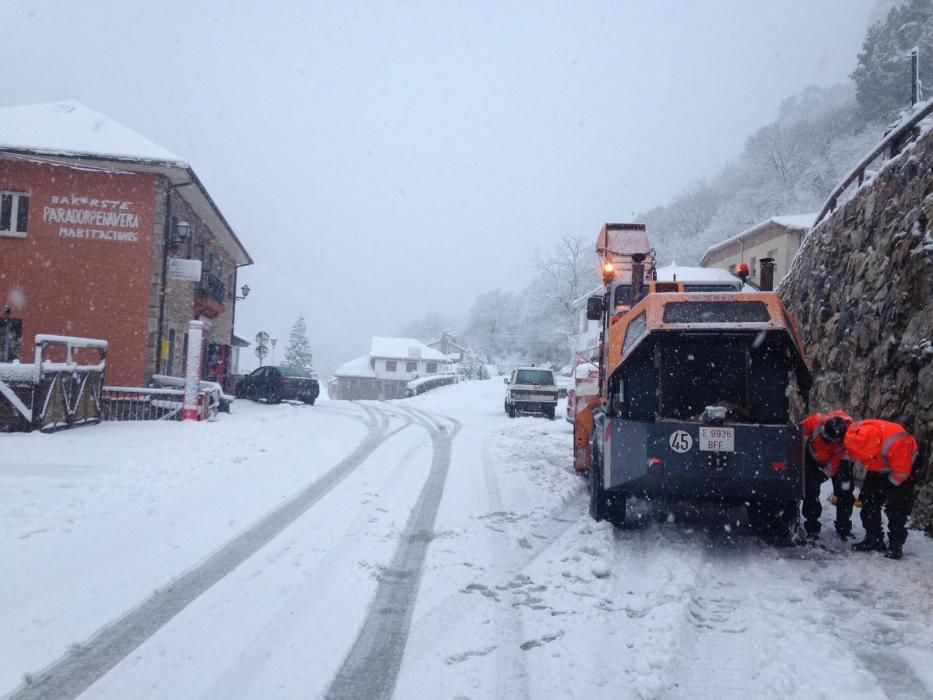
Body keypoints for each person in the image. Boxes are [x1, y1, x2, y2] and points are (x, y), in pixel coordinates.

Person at [842, 419, 920, 560]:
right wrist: (845, 468)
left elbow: (902, 472)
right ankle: (874, 538)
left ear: (873, 446)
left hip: (903, 466)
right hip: (879, 465)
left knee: (897, 507)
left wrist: (887, 486)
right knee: (868, 500)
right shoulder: (853, 435)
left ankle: (896, 545)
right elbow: (849, 453)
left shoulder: (897, 442)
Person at [800, 411, 856, 540]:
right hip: (812, 457)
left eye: (831, 441)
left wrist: (822, 475)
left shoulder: (849, 440)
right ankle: (812, 527)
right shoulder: (816, 421)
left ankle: (844, 526)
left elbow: (833, 466)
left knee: (845, 491)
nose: (827, 441)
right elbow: (796, 434)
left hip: (840, 462)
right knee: (810, 490)